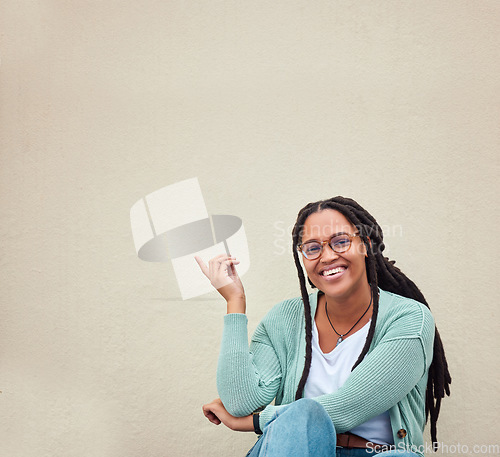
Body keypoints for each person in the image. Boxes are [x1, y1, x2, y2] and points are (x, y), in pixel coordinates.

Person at [195, 196, 451, 457]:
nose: (327, 257)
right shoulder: (284, 319)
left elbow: (348, 407)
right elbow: (241, 402)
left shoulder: (409, 318)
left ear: (366, 245)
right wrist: (234, 302)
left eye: (341, 242)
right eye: (313, 248)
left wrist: (256, 421)